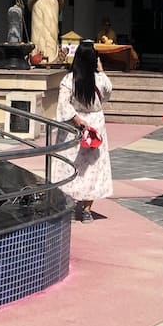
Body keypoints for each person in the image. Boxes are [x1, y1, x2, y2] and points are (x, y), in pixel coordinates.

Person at [56, 42, 113, 222]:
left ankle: (71, 205)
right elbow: (108, 94)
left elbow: (64, 103)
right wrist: (101, 70)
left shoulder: (69, 79)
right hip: (95, 125)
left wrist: (76, 119)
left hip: (75, 127)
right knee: (93, 167)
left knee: (71, 165)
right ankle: (87, 210)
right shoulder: (101, 79)